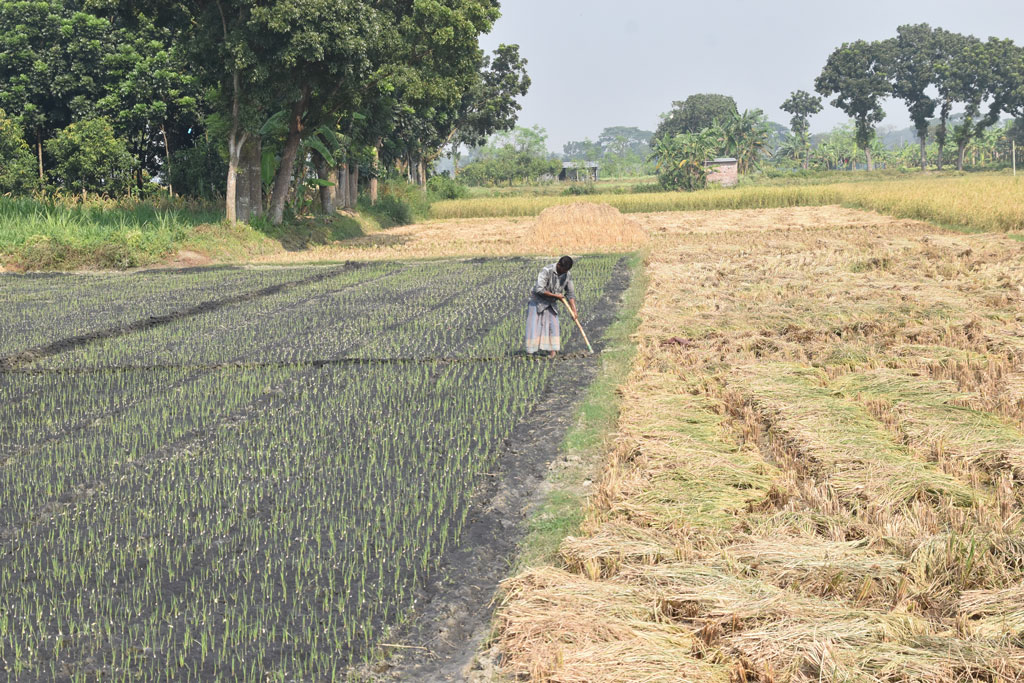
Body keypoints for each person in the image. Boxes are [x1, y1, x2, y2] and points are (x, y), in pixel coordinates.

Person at [525, 255, 578, 357]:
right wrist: (556, 296)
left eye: (566, 271)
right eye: (563, 270)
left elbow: (570, 293)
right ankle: (530, 352)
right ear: (559, 265)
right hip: (537, 300)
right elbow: (539, 289)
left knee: (553, 325)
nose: (564, 273)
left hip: (551, 302)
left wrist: (574, 311)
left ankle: (552, 352)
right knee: (533, 325)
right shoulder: (546, 270)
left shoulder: (567, 275)